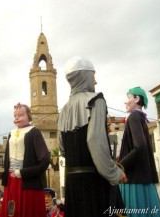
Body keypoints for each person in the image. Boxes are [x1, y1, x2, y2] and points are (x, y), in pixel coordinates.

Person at [57, 56, 127, 217]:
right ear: (85, 76)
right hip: (94, 183)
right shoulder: (96, 101)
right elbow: (95, 141)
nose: (95, 81)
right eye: (93, 75)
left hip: (72, 186)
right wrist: (115, 173)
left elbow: (62, 149)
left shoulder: (64, 111)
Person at [118, 87, 160, 217]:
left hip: (133, 179)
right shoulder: (141, 118)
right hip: (143, 179)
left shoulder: (133, 117)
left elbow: (140, 146)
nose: (125, 102)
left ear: (137, 99)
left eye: (129, 97)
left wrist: (120, 165)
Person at [1, 103, 50, 217]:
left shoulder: (34, 132)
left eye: (21, 115)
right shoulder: (11, 133)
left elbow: (45, 161)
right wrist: (5, 174)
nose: (17, 118)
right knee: (11, 211)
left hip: (28, 183)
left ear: (28, 115)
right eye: (15, 115)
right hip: (11, 180)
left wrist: (22, 173)